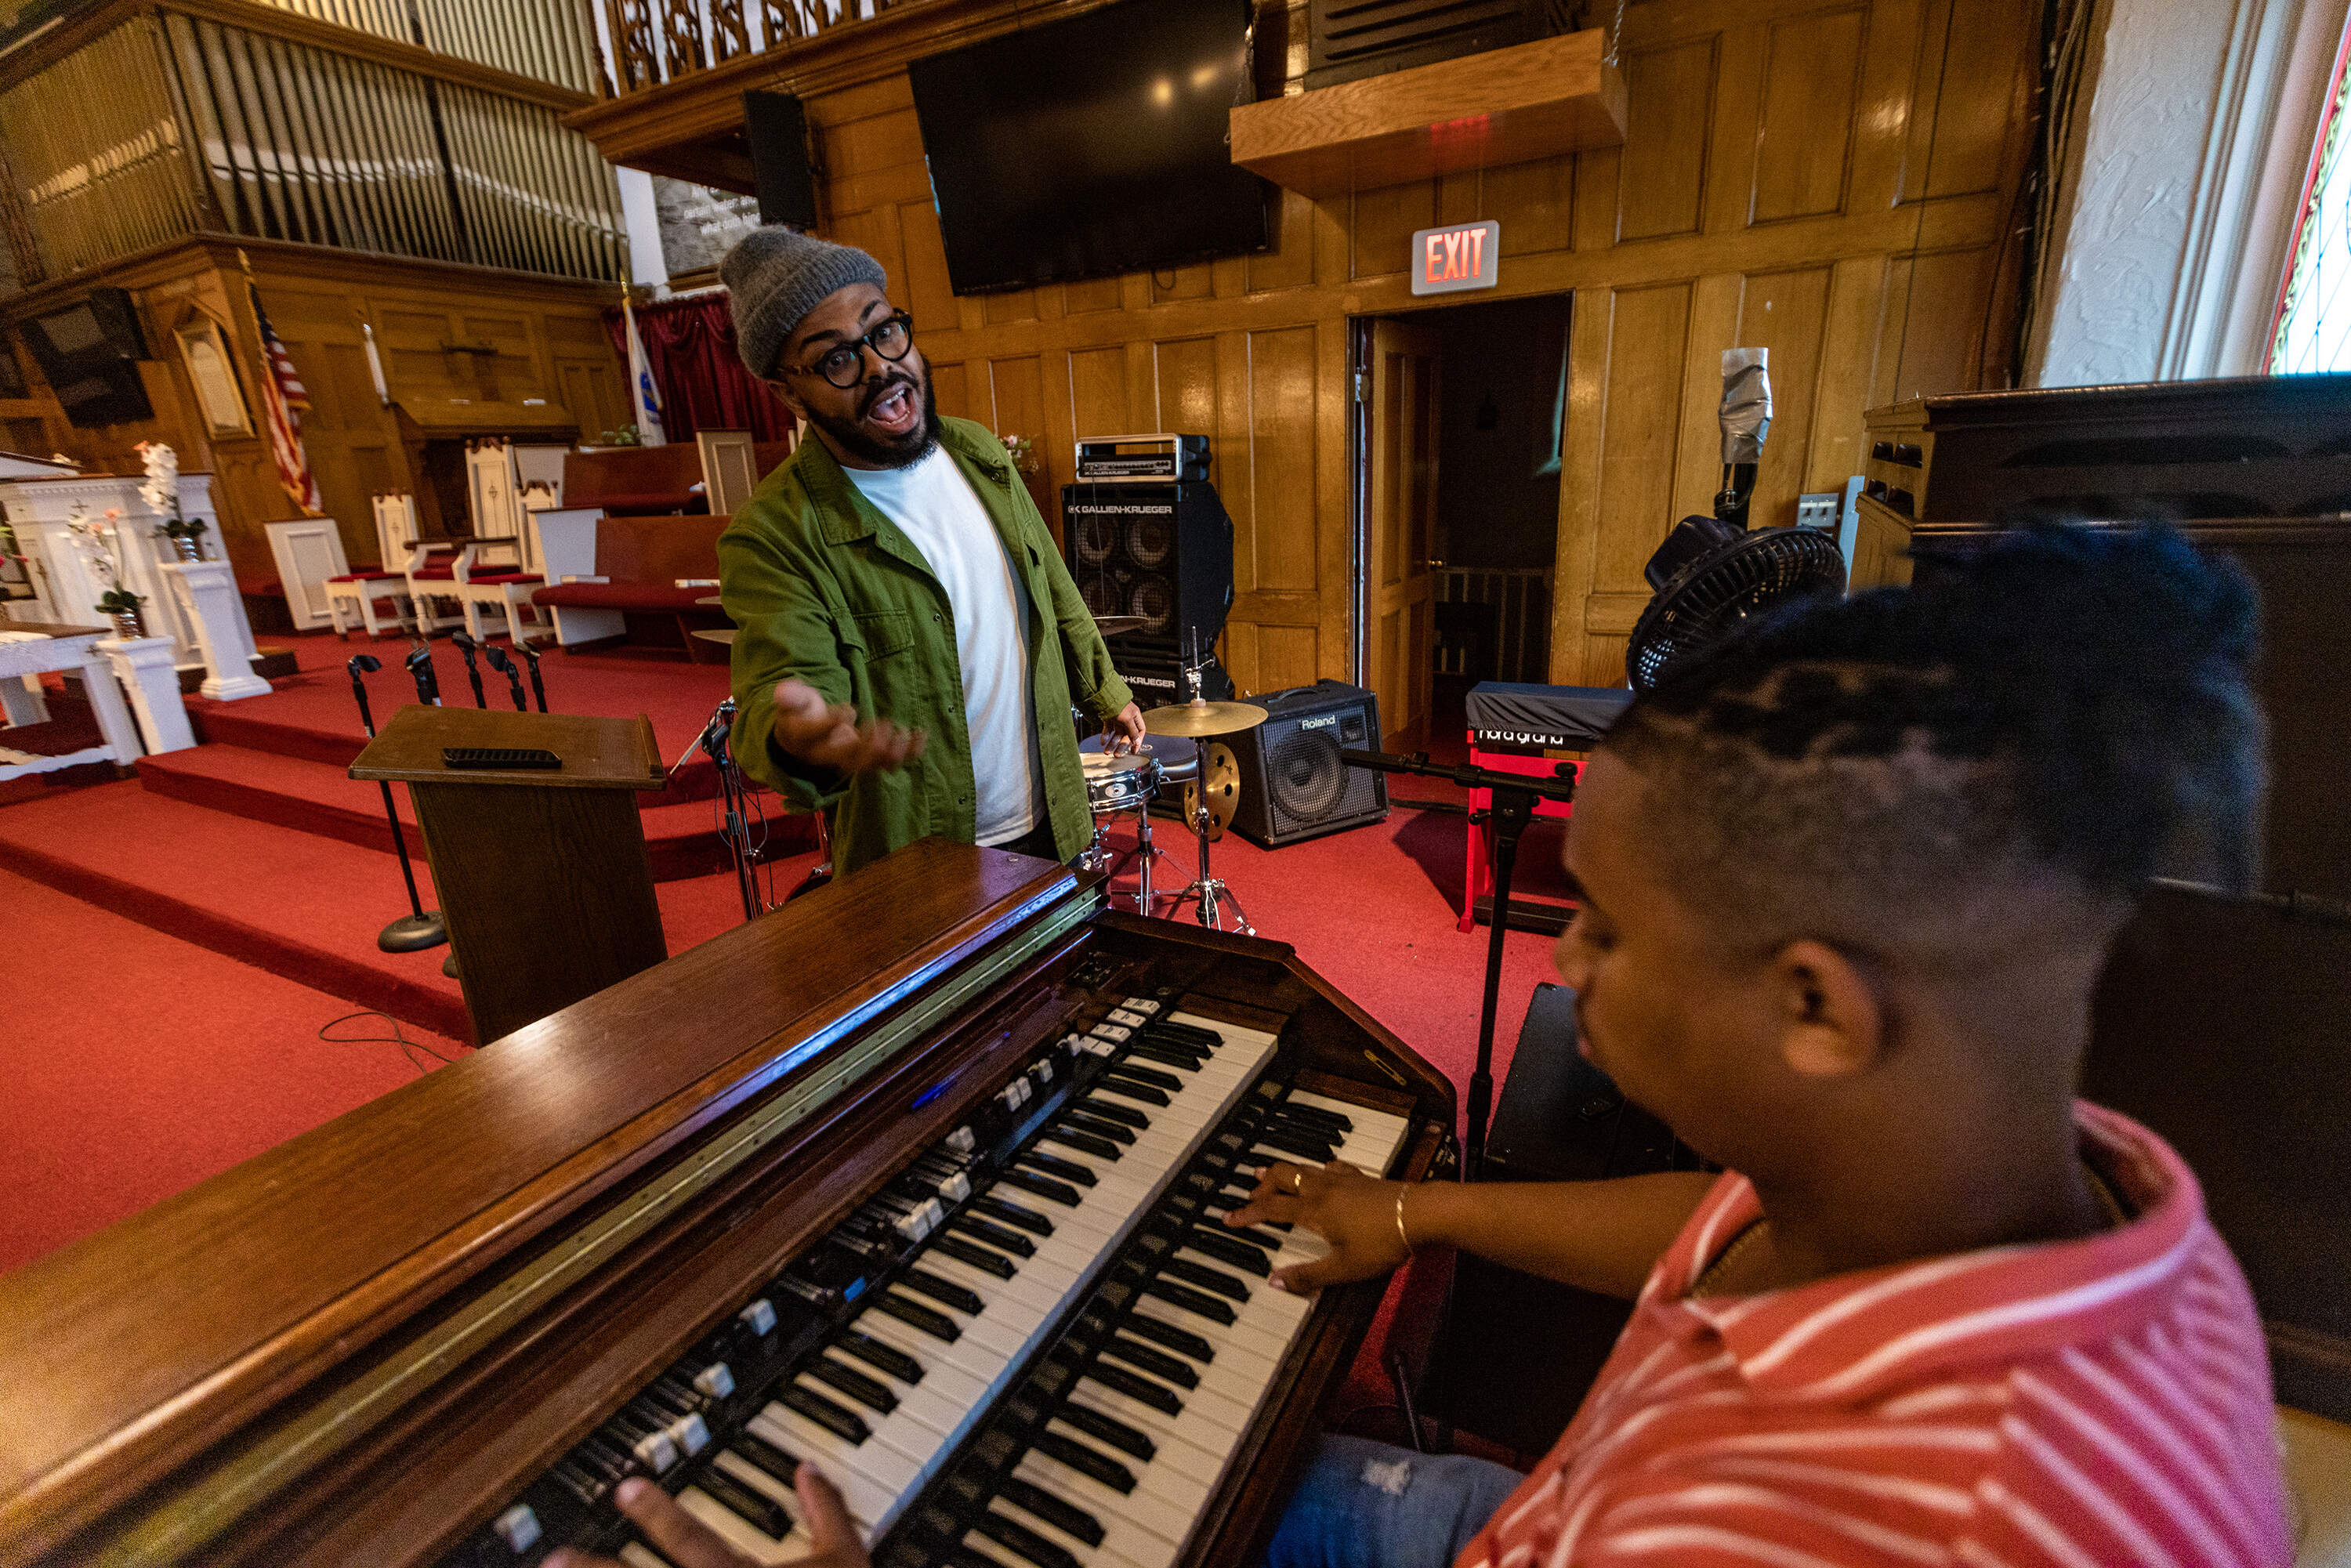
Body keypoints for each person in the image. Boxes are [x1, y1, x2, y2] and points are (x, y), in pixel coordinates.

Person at [552, 522, 2291, 1568]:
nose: (1565, 962)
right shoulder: (2067, 1192)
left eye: (1605, 927)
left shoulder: (1859, 1525)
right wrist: (1419, 1212)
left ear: (1819, 1007)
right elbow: (1719, 1226)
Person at [715, 226, 1145, 876]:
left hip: (1054, 821)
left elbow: (1051, 582)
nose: (879, 367)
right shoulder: (775, 535)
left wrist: (1105, 688)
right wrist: (804, 740)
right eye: (837, 359)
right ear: (789, 391)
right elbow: (780, 687)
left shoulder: (978, 451)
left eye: (883, 331)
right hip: (920, 863)